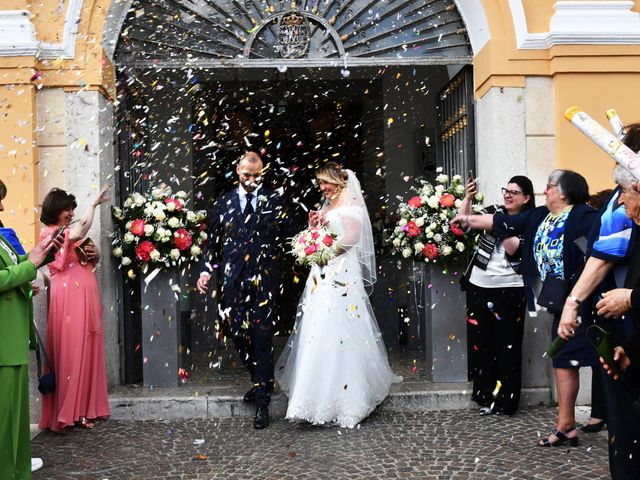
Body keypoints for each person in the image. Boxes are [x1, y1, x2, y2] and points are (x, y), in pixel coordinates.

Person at [452, 170, 599, 447]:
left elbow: (595, 256)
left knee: (604, 358)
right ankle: (566, 425)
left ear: (565, 192)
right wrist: (467, 218)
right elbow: (503, 221)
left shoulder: (584, 216)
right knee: (564, 359)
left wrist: (579, 297)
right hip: (561, 301)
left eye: (550, 186)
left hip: (585, 300)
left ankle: (613, 418)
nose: (546, 190)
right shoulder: (541, 215)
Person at [275, 162, 401, 428]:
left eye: (325, 182)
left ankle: (347, 401)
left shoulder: (351, 201)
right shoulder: (327, 204)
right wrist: (313, 228)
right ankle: (311, 398)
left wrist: (323, 254)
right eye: (320, 184)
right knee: (316, 328)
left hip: (342, 274)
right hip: (321, 275)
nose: (322, 188)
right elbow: (323, 234)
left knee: (342, 329)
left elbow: (351, 237)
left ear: (338, 180)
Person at [197, 151, 296, 429]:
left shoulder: (275, 199)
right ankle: (260, 379)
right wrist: (206, 270)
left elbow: (291, 232)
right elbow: (212, 243)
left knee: (262, 335)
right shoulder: (224, 201)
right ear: (237, 171)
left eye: (256, 175)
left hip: (265, 279)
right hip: (232, 280)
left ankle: (262, 401)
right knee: (238, 334)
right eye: (246, 175)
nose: (251, 180)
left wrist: (311, 232)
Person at [0, 179, 63, 479]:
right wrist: (28, 268)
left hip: (12, 337)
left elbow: (18, 265)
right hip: (2, 341)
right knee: (3, 425)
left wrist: (44, 252)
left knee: (16, 422)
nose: (2, 206)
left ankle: (17, 472)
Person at [457, 175, 535, 416]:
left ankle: (506, 401)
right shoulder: (493, 212)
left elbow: (513, 248)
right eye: (506, 190)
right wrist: (468, 198)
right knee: (483, 343)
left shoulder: (529, 220)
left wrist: (498, 224)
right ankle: (485, 397)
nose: (508, 195)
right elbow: (464, 224)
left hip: (511, 288)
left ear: (527, 198)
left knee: (507, 345)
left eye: (514, 192)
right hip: (479, 284)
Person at [38, 186, 111, 432]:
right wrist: (93, 204)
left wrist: (96, 254)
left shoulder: (67, 232)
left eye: (72, 209)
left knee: (88, 346)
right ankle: (71, 411)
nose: (70, 213)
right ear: (54, 210)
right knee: (72, 349)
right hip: (68, 297)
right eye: (66, 209)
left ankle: (87, 408)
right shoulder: (49, 233)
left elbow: (84, 255)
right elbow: (81, 229)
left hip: (85, 293)